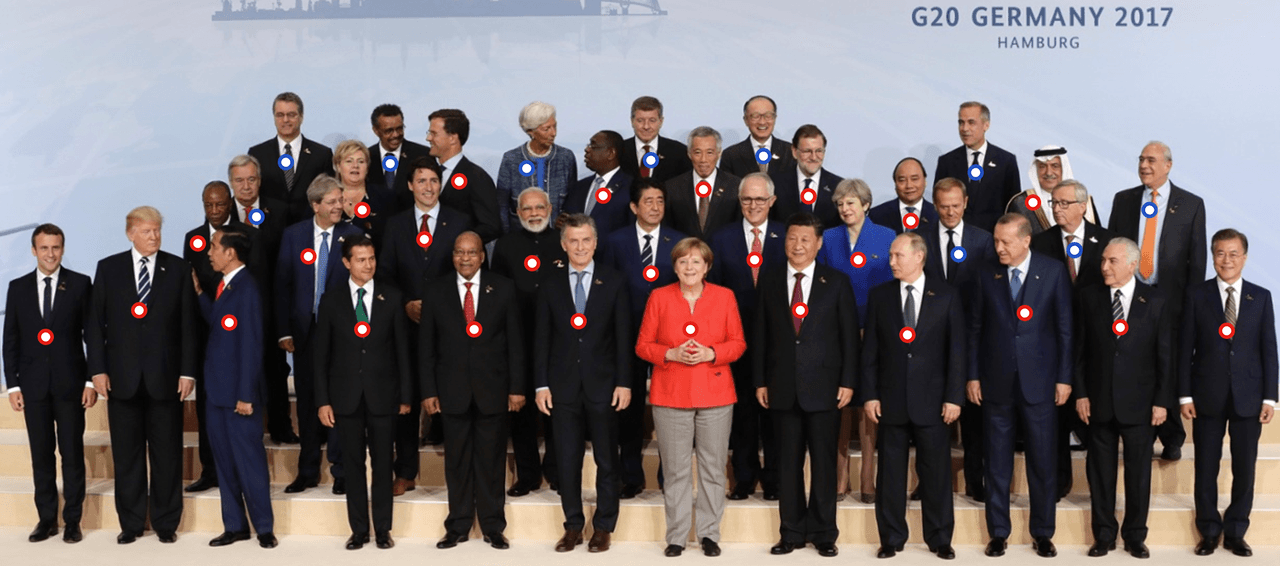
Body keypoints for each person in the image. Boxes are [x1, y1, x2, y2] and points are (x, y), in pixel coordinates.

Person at [86, 206, 198, 544]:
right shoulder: (109, 268)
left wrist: (187, 372)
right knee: (128, 455)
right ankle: (131, 523)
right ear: (130, 233)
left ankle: (166, 523)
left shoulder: (178, 268)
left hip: (165, 380)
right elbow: (95, 325)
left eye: (157, 231)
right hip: (122, 380)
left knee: (167, 455)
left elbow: (188, 326)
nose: (154, 237)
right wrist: (98, 371)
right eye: (147, 232)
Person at [753, 213, 858, 557]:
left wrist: (848, 381)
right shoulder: (769, 281)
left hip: (826, 388)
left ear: (818, 243)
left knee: (825, 464)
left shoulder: (837, 282)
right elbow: (761, 337)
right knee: (787, 464)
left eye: (804, 240)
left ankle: (824, 532)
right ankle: (792, 532)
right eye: (791, 239)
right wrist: (760, 381)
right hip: (781, 387)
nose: (796, 246)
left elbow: (848, 339)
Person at [968, 213, 1072, 557]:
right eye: (996, 241)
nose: (998, 248)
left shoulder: (1053, 271)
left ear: (1026, 240)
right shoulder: (985, 273)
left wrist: (1064, 378)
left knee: (1043, 463)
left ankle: (1043, 532)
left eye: (1005, 242)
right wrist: (972, 375)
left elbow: (1064, 330)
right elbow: (975, 330)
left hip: (1040, 384)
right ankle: (998, 532)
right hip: (995, 383)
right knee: (995, 463)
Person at [636, 237, 746, 557]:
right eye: (683, 261)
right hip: (670, 393)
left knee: (713, 468)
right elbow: (643, 345)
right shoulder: (659, 297)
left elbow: (738, 343)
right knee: (676, 469)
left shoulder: (725, 297)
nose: (689, 267)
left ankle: (710, 533)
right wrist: (669, 352)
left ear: (707, 266)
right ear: (675, 266)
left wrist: (713, 352)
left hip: (715, 393)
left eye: (696, 261)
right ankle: (677, 536)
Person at [862, 232, 965, 560]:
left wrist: (954, 397)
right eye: (891, 256)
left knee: (935, 473)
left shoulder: (947, 296)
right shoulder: (880, 297)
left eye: (898, 256)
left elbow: (957, 353)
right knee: (890, 474)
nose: (891, 261)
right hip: (890, 401)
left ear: (919, 257)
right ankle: (891, 537)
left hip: (934, 404)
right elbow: (870, 353)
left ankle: (939, 538)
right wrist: (870, 395)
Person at [421, 231, 526, 550]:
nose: (465, 258)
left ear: (482, 256)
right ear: (452, 255)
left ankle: (494, 525)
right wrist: (428, 390)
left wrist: (517, 388)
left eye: (471, 252)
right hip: (451, 392)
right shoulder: (436, 290)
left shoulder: (504, 288)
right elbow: (426, 347)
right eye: (459, 252)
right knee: (456, 461)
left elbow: (516, 344)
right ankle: (458, 525)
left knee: (491, 461)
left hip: (493, 390)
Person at [535, 214, 632, 553]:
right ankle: (573, 525)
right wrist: (541, 384)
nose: (580, 247)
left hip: (604, 386)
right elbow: (541, 339)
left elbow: (623, 337)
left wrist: (624, 382)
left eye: (586, 240)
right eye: (573, 241)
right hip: (562, 387)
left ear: (595, 243)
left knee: (607, 459)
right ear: (563, 245)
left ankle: (604, 526)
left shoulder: (615, 280)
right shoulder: (549, 283)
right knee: (567, 459)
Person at [1075, 238, 1175, 559]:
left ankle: (1134, 536)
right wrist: (1081, 394)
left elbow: (1165, 357)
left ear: (1132, 265)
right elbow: (1078, 353)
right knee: (1100, 474)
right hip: (1099, 402)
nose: (1104, 267)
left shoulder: (1156, 301)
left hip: (1142, 404)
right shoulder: (1089, 297)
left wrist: (1162, 401)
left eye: (1112, 261)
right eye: (1103, 260)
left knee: (1138, 475)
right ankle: (1103, 534)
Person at [1180, 229, 1277, 557]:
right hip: (1206, 395)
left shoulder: (1261, 297)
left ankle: (1236, 530)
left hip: (1249, 398)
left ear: (1245, 258)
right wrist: (1184, 395)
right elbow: (1185, 350)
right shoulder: (1197, 295)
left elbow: (1269, 351)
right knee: (1205, 466)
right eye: (1220, 253)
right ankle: (1208, 530)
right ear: (1212, 256)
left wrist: (1270, 397)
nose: (1227, 260)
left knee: (1244, 468)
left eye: (1234, 254)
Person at [1107, 141, 1206, 461]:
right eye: (1140, 160)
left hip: (1171, 301)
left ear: (1168, 165)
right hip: (1131, 298)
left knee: (1171, 365)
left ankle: (1172, 434)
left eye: (1151, 160)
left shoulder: (1190, 204)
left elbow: (1197, 260)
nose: (1144, 165)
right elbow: (1112, 249)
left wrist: (1191, 307)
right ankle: (1142, 431)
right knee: (1137, 364)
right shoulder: (1124, 200)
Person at [314, 236, 413, 550]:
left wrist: (406, 396)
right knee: (353, 466)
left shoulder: (392, 297)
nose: (368, 265)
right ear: (346, 262)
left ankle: (382, 529)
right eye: (360, 259)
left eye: (371, 258)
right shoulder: (330, 301)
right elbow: (321, 357)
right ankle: (359, 530)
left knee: (384, 464)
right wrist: (323, 400)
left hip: (384, 396)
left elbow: (402, 352)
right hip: (345, 398)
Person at [3, 224, 94, 544]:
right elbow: (10, 341)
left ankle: (72, 520)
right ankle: (46, 520)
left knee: (71, 453)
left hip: (70, 386)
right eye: (44, 248)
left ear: (63, 248)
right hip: (33, 388)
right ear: (33, 250)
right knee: (41, 455)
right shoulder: (17, 288)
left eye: (56, 247)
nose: (50, 254)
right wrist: (13, 386)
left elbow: (92, 336)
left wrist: (89, 380)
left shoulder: (81, 284)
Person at [377, 157, 471, 460]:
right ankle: (405, 470)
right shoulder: (396, 224)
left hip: (449, 326)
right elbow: (386, 273)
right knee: (408, 396)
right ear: (410, 185)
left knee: (451, 394)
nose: (428, 187)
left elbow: (468, 272)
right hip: (407, 325)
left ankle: (454, 465)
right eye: (421, 181)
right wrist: (406, 302)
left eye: (433, 180)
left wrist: (438, 307)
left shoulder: (459, 222)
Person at [275, 175, 363, 495]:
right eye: (332, 202)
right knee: (310, 400)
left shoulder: (354, 236)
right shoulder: (294, 235)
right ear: (316, 205)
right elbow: (282, 285)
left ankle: (341, 471)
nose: (340, 206)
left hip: (342, 335)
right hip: (304, 332)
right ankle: (308, 470)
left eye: (340, 200)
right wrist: (284, 330)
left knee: (339, 399)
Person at [1030, 179, 1117, 499]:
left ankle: (1099, 490)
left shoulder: (1107, 241)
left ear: (1083, 206)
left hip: (1095, 349)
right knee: (1055, 422)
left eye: (1064, 203)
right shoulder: (1040, 243)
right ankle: (1057, 485)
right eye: (1054, 203)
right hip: (1052, 346)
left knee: (1095, 424)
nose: (1057, 209)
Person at [192, 224, 277, 549]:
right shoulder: (226, 287)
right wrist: (200, 295)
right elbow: (222, 324)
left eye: (214, 246)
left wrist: (245, 395)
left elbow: (251, 345)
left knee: (249, 463)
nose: (209, 252)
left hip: (239, 398)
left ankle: (264, 528)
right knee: (225, 463)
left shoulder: (247, 289)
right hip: (217, 394)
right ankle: (235, 525)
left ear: (230, 253)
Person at [602, 179, 687, 498]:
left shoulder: (679, 241)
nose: (655, 207)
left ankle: (670, 477)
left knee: (670, 411)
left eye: (660, 200)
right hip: (627, 337)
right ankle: (630, 476)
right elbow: (606, 288)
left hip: (668, 341)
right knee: (629, 410)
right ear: (634, 207)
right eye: (648, 201)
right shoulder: (614, 241)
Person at [814, 178, 895, 502]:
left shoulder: (887, 237)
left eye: (851, 203)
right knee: (840, 405)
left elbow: (892, 289)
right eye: (840, 204)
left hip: (874, 335)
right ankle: (840, 478)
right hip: (836, 335)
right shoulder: (829, 238)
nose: (845, 209)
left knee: (869, 407)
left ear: (866, 204)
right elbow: (820, 286)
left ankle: (868, 480)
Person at [707, 172, 784, 501]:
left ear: (772, 201)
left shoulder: (786, 236)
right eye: (747, 200)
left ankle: (775, 479)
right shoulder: (720, 238)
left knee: (775, 413)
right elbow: (715, 293)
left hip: (778, 343)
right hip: (733, 341)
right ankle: (744, 476)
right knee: (741, 414)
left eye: (760, 199)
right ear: (739, 202)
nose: (754, 206)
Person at [919, 178, 996, 503]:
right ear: (935, 206)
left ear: (965, 202)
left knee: (976, 415)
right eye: (943, 206)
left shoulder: (983, 240)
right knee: (931, 418)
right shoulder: (919, 239)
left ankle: (976, 480)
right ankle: (930, 482)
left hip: (975, 338)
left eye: (955, 205)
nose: (950, 212)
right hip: (929, 340)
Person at [490, 188, 567, 496]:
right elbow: (495, 293)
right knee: (520, 413)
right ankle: (527, 475)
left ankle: (557, 471)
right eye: (527, 209)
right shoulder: (506, 246)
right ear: (517, 213)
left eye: (539, 207)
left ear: (550, 208)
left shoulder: (563, 242)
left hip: (558, 342)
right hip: (518, 341)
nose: (534, 213)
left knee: (557, 412)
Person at [228, 154, 296, 444]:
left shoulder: (279, 211)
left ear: (259, 180)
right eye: (239, 180)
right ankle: (243, 433)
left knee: (275, 370)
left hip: (270, 309)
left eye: (251, 179)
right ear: (232, 183)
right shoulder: (221, 213)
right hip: (234, 311)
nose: (246, 186)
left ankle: (281, 428)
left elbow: (287, 266)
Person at [182, 181, 239, 494]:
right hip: (205, 336)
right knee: (206, 405)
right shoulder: (192, 239)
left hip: (237, 334)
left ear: (230, 202)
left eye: (220, 204)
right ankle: (210, 470)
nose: (215, 211)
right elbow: (187, 287)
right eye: (209, 205)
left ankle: (236, 468)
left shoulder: (244, 235)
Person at [933, 101, 1021, 233]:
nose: (964, 128)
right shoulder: (947, 161)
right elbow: (939, 202)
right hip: (957, 239)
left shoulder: (1006, 161)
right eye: (961, 122)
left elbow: (1013, 207)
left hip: (994, 240)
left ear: (986, 125)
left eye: (971, 122)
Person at [248, 92, 335, 223]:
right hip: (268, 231)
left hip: (309, 230)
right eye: (280, 115)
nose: (285, 120)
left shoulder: (322, 154)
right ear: (274, 117)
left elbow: (329, 196)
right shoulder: (257, 154)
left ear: (301, 117)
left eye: (291, 115)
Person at [496, 101, 578, 230]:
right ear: (531, 131)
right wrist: (507, 238)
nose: (553, 133)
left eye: (554, 126)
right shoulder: (511, 159)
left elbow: (573, 201)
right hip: (521, 237)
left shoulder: (566, 157)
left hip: (557, 237)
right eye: (546, 129)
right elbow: (502, 205)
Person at [428, 108, 502, 243]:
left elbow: (491, 226)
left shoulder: (477, 178)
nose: (428, 138)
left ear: (452, 138)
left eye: (434, 134)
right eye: (429, 133)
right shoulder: (427, 173)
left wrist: (458, 241)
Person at [663, 126, 742, 240]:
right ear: (689, 154)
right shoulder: (672, 187)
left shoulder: (735, 186)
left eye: (709, 152)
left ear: (719, 154)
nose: (703, 159)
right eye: (697, 152)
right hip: (685, 255)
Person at [1006, 146, 1099, 233]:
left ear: (1064, 169)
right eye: (1042, 166)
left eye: (1055, 166)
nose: (1049, 172)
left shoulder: (1085, 202)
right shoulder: (1021, 202)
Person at [561, 130, 634, 238]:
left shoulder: (631, 187)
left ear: (611, 153)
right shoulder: (578, 187)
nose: (587, 150)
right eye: (588, 145)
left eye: (593, 146)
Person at [769, 125, 843, 229]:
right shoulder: (775, 183)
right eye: (807, 151)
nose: (813, 157)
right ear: (795, 152)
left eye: (818, 151)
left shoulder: (839, 186)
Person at [367, 103, 430, 215]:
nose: (396, 135)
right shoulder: (366, 157)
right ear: (376, 131)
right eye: (389, 131)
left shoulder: (422, 154)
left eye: (399, 129)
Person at [618, 96, 691, 185]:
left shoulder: (679, 152)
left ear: (661, 121)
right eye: (640, 120)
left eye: (652, 120)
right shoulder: (618, 151)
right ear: (632, 121)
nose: (646, 126)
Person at [719, 95, 796, 177]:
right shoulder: (731, 155)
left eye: (768, 116)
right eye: (755, 116)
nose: (762, 122)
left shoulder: (791, 152)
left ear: (775, 118)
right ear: (746, 120)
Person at [334, 140, 386, 246]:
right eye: (349, 161)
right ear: (338, 166)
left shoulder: (384, 198)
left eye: (361, 161)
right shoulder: (325, 197)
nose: (355, 166)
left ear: (367, 168)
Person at [868, 158, 939, 234]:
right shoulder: (877, 215)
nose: (909, 185)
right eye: (902, 180)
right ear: (895, 183)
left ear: (925, 181)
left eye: (914, 179)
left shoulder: (938, 215)